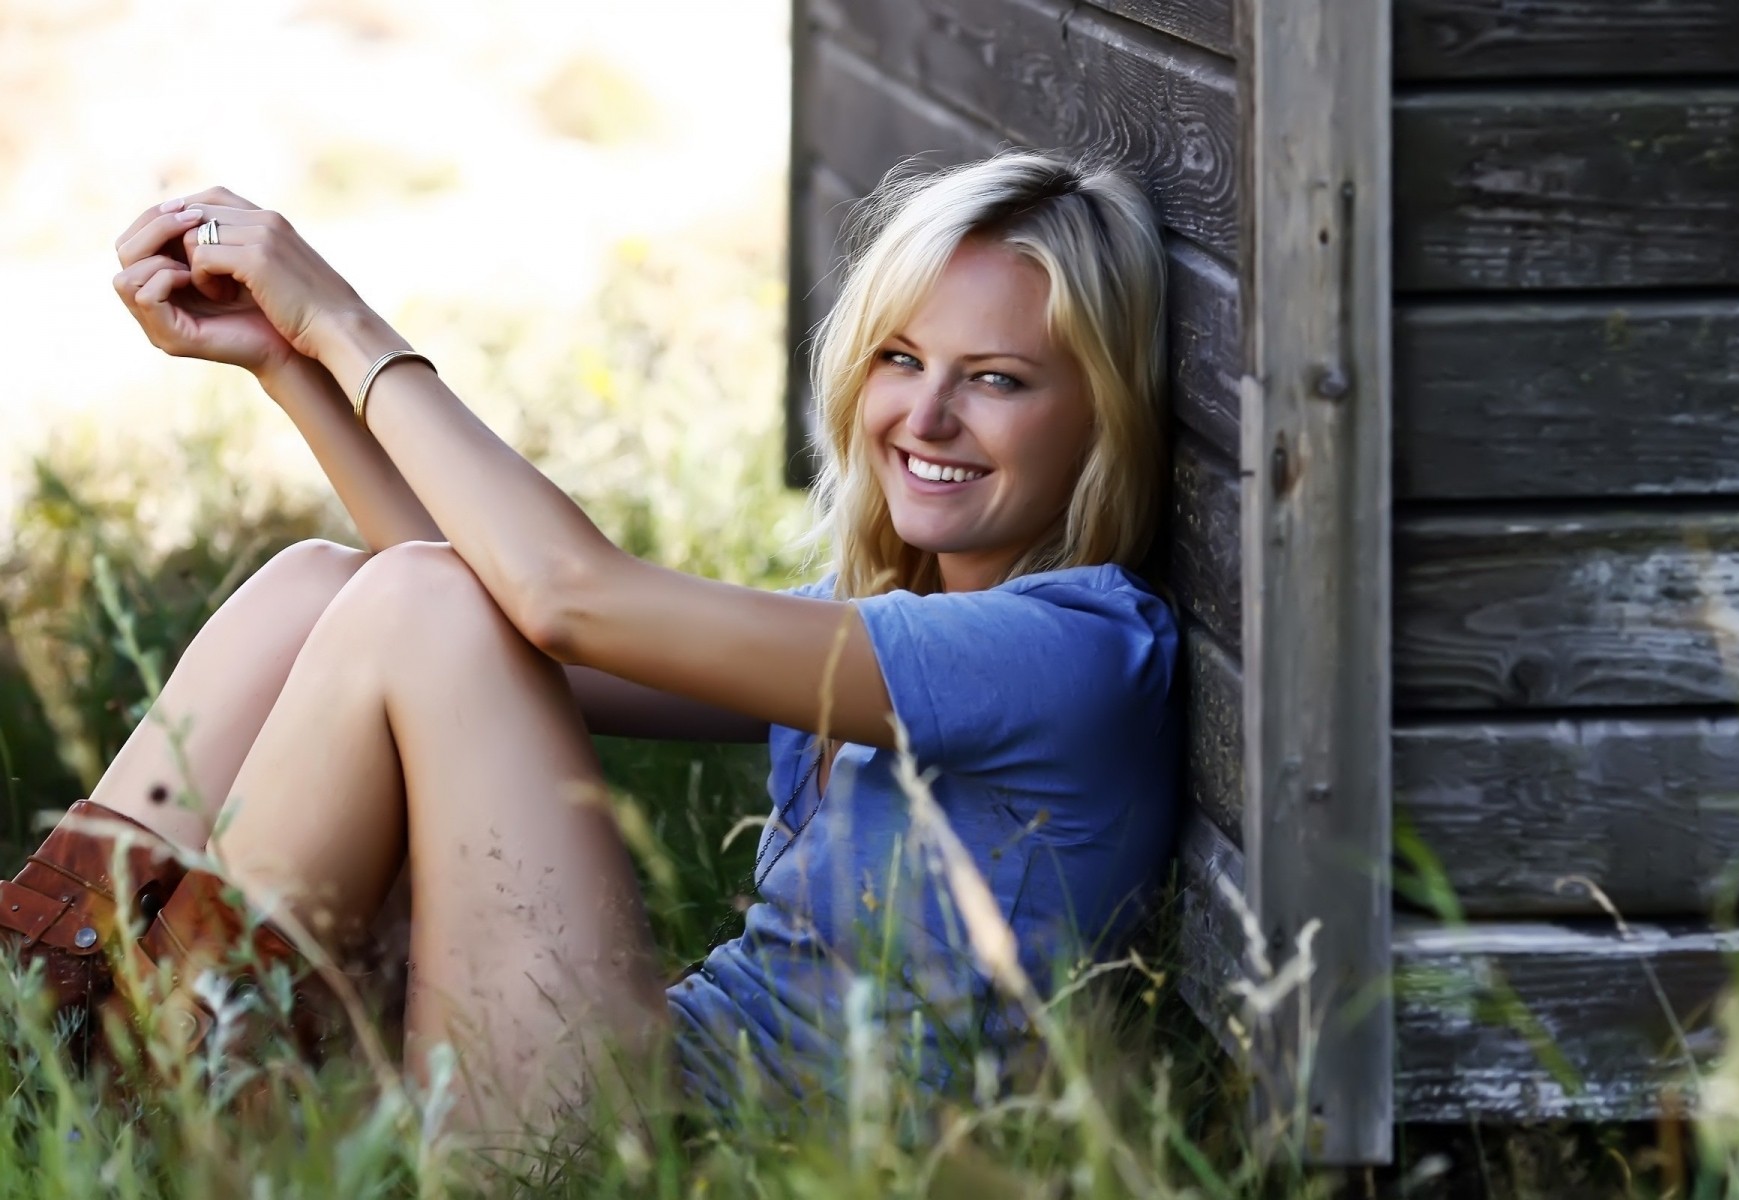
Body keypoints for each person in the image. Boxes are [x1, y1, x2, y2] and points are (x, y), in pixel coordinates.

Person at [0, 148, 1180, 1139]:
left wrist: (343, 323)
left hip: (668, 1148)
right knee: (322, 580)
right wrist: (286, 361)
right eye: (901, 361)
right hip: (629, 1086)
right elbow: (515, 623)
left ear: (1105, 410)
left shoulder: (1066, 655)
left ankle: (142, 1081)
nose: (925, 418)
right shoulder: (891, 617)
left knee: (416, 602)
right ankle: (42, 1013)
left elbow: (564, 599)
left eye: (996, 381)